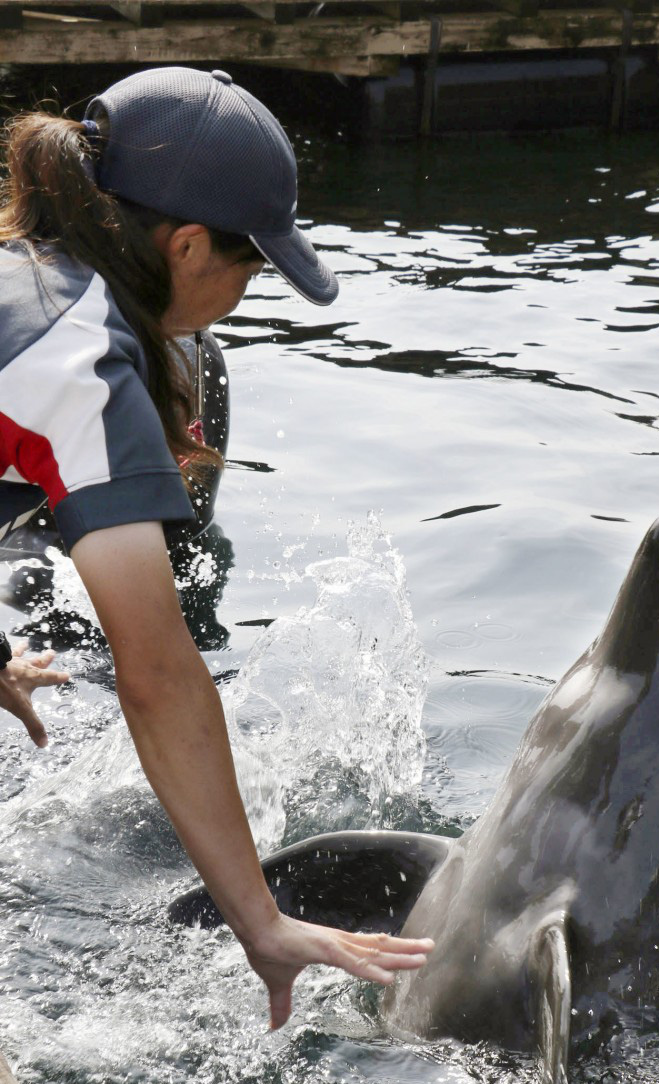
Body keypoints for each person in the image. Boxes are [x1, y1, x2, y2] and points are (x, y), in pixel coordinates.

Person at [0, 66, 434, 1028]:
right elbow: (158, 674)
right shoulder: (77, 360)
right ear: (188, 244)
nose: (243, 296)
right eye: (252, 268)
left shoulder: (22, 278)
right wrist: (261, 920)